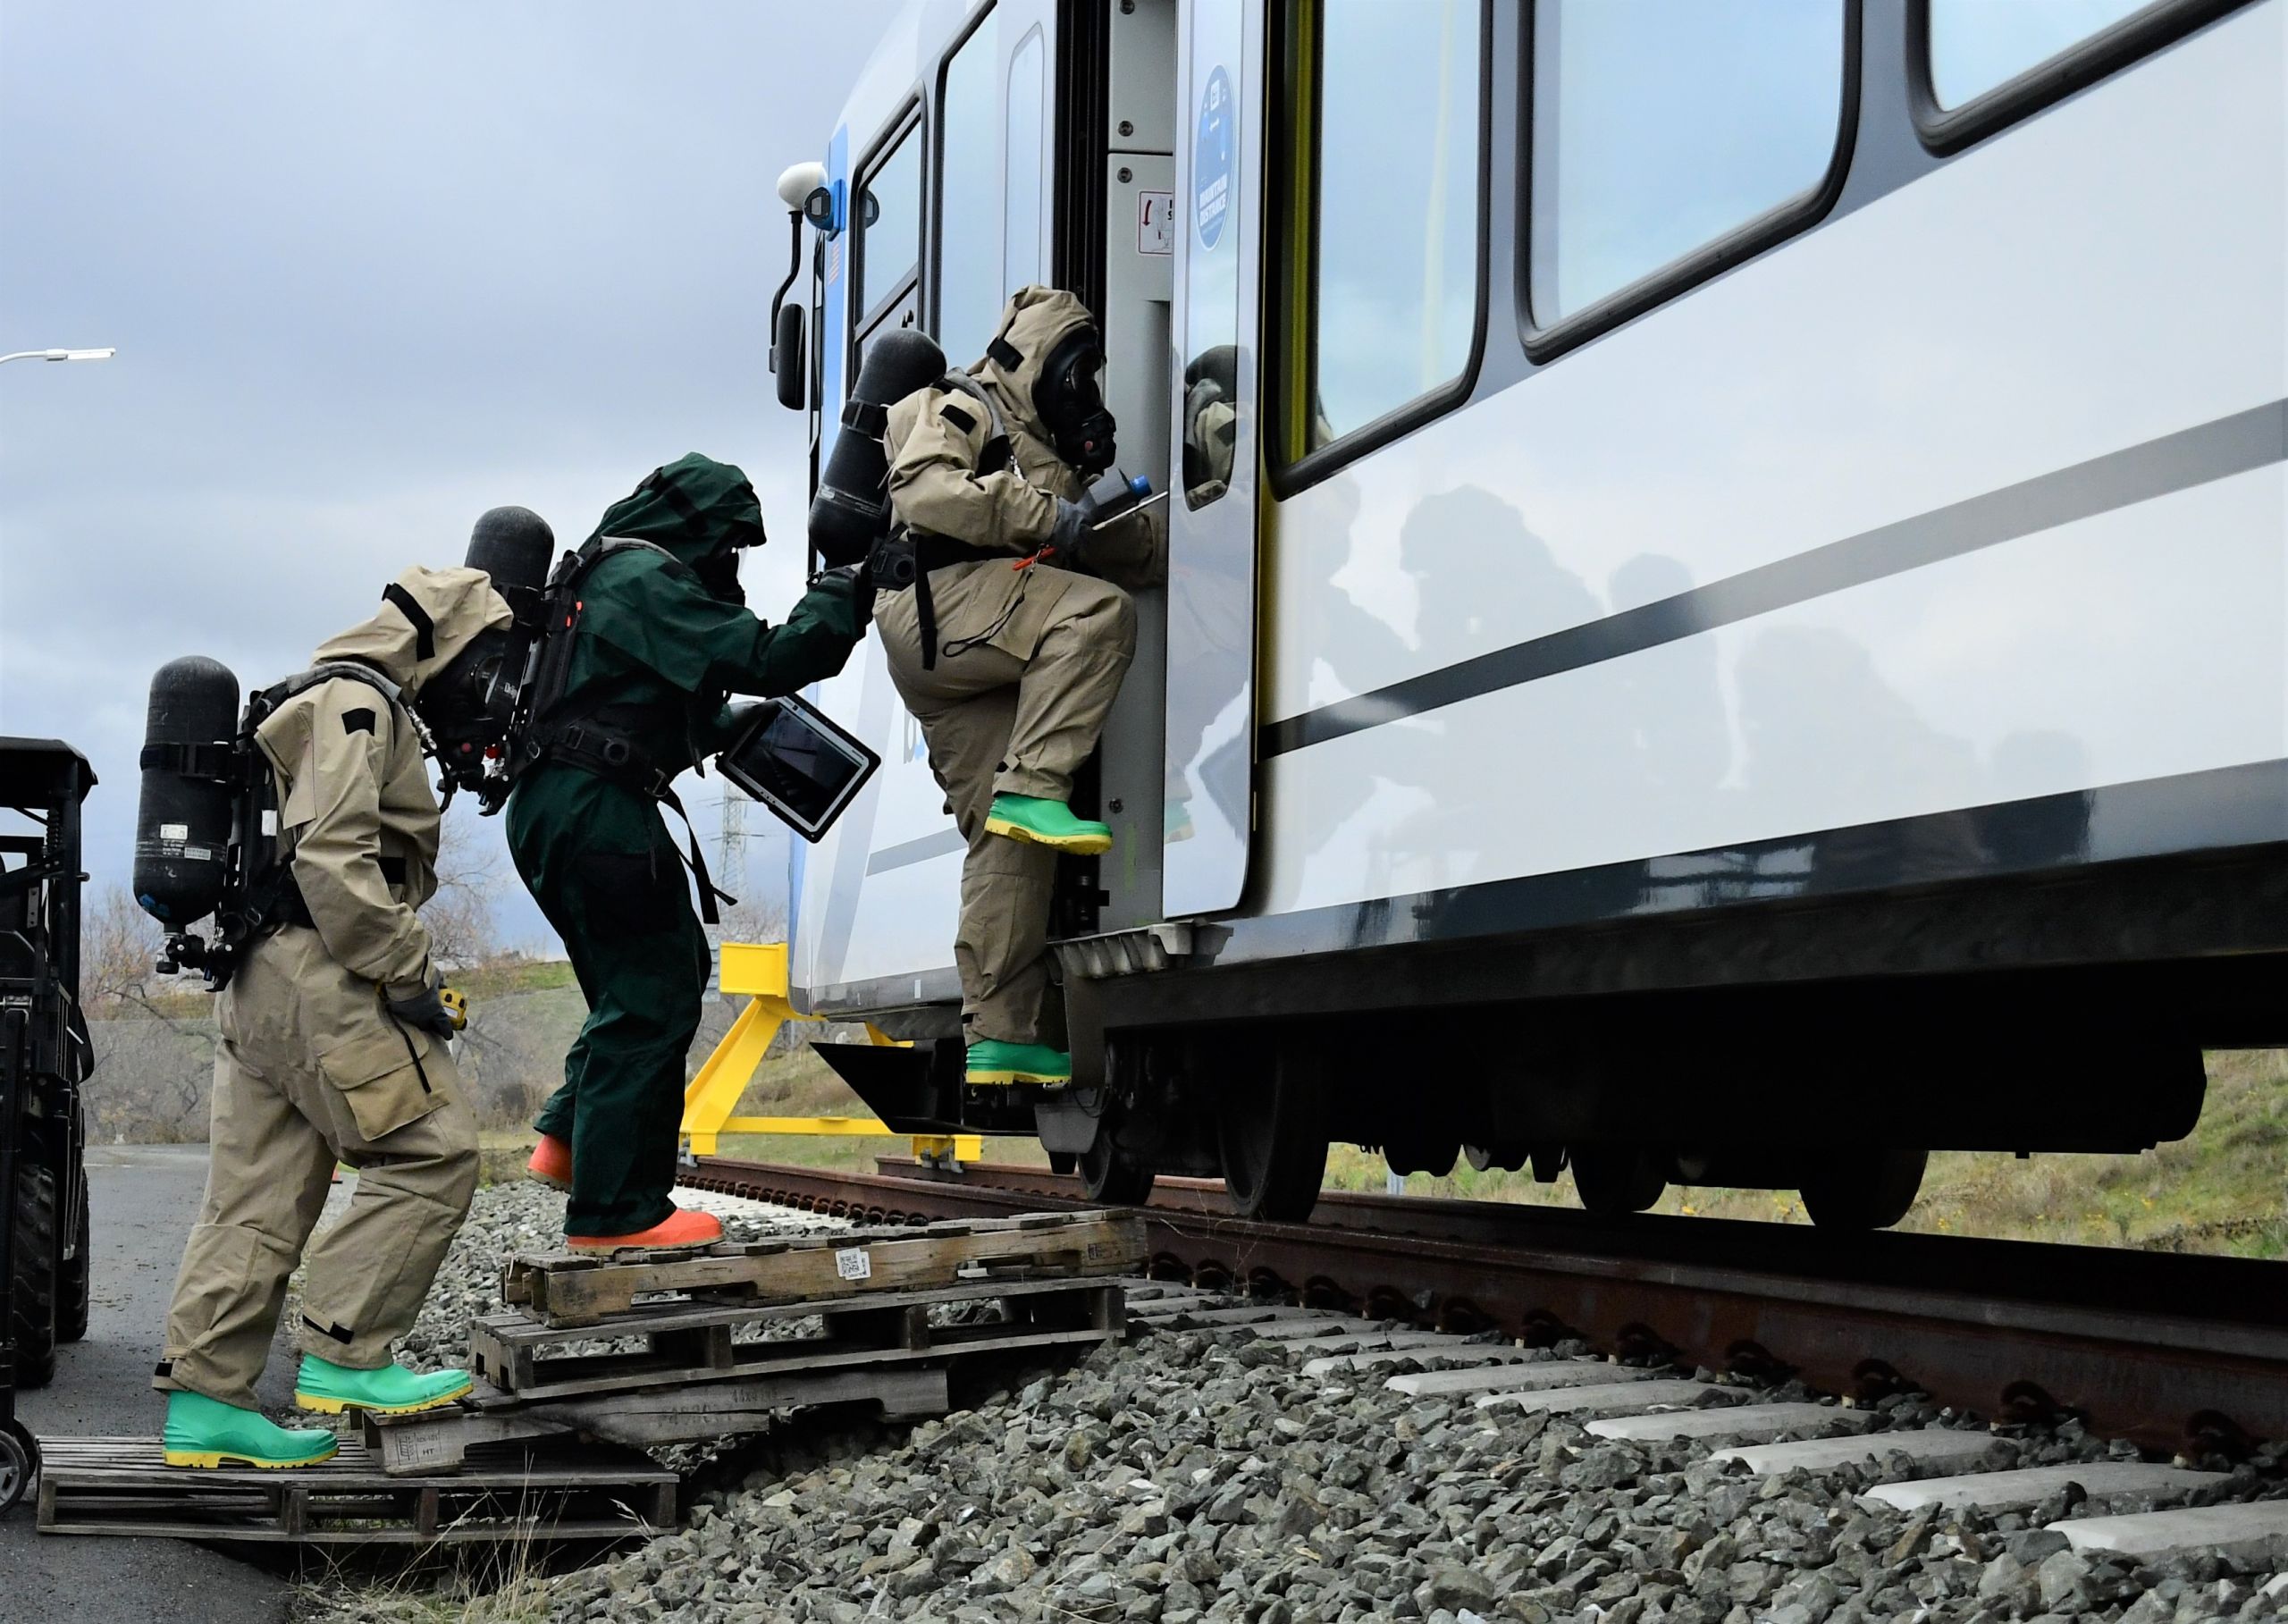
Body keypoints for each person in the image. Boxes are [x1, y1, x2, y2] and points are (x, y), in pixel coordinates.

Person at [155, 568, 507, 1470]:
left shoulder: (307, 695)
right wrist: (406, 966)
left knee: (257, 1197)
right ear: (443, 644)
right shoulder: (359, 702)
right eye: (484, 655)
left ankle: (206, 1403)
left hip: (258, 975)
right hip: (322, 969)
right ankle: (347, 1353)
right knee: (435, 1152)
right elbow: (334, 855)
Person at [511, 453, 869, 1250]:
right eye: (731, 547)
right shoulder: (645, 577)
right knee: (657, 988)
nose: (731, 565)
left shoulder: (596, 575)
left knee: (629, 986)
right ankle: (616, 1212)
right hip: (596, 808)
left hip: (553, 804)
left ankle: (569, 1143)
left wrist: (721, 725)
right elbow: (773, 655)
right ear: (702, 530)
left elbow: (620, 702)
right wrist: (846, 586)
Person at [875, 286, 1159, 1089]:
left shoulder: (1044, 453)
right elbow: (927, 492)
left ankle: (999, 1034)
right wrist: (1040, 514)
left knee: (1006, 838)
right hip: (938, 604)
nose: (1087, 395)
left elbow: (1129, 548)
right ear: (1043, 362)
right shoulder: (963, 404)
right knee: (1096, 617)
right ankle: (1035, 783)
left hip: (952, 646)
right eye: (1079, 375)